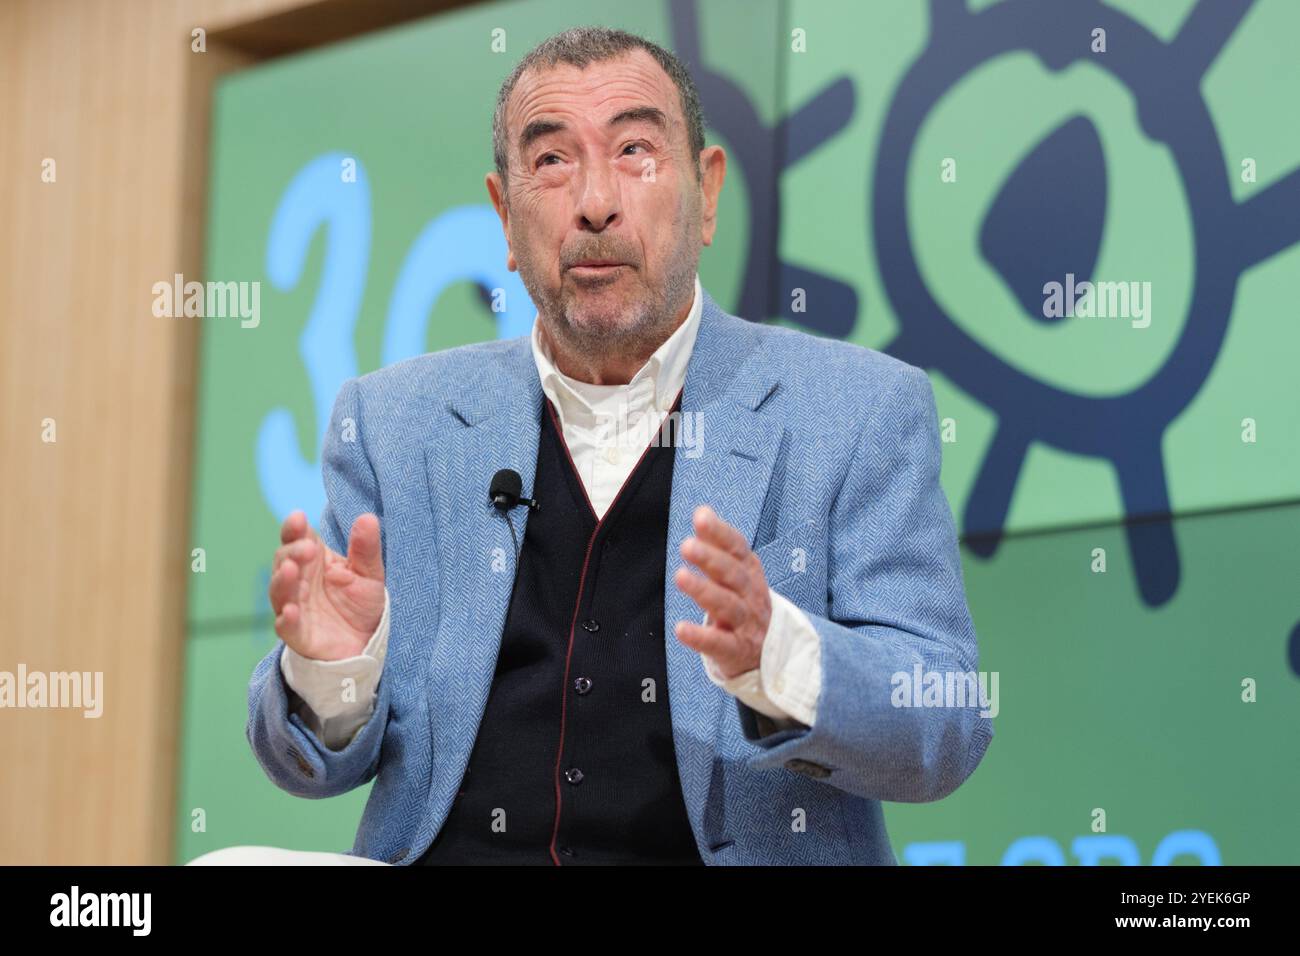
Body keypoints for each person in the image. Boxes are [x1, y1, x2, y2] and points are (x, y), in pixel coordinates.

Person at [230, 26, 991, 867]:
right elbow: (302, 763)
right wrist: (337, 675)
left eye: (635, 150)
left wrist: (783, 657)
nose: (596, 201)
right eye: (552, 161)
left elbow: (948, 720)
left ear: (705, 192)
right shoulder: (393, 421)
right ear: (505, 218)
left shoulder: (855, 410)